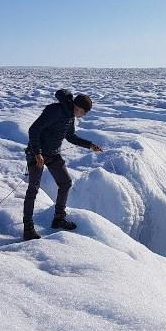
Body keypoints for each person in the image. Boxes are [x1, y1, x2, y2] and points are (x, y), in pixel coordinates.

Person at [22, 89, 102, 240]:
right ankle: (28, 228)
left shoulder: (70, 115)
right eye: (84, 112)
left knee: (65, 183)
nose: (83, 115)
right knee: (33, 189)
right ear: (78, 108)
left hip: (53, 154)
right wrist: (37, 153)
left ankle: (58, 218)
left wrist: (90, 145)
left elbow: (70, 136)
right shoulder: (56, 111)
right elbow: (33, 130)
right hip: (36, 154)